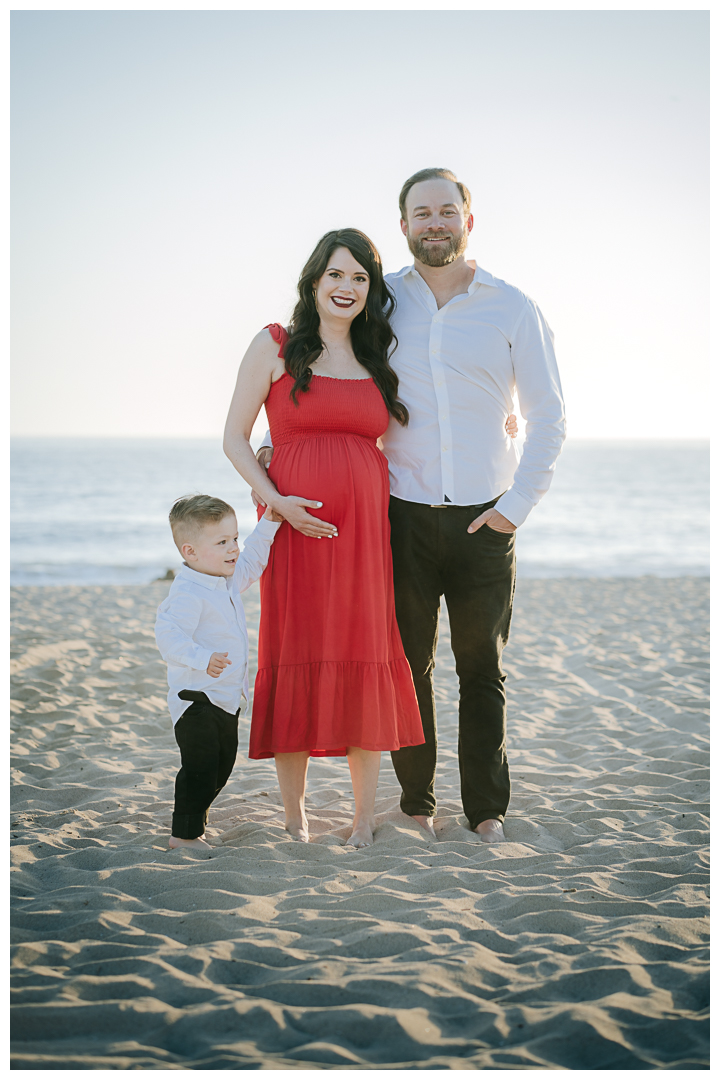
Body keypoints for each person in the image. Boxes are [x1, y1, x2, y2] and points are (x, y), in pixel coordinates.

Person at [258, 168, 565, 844]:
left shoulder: (512, 307)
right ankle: (417, 805)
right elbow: (322, 363)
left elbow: (548, 416)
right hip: (398, 513)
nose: (434, 222)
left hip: (488, 515)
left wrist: (516, 506)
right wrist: (272, 447)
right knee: (407, 664)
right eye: (421, 212)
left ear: (468, 221)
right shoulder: (378, 299)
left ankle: (486, 812)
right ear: (402, 225)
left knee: (482, 667)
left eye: (446, 211)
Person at [222, 229, 425, 848]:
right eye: (336, 275)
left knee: (365, 651)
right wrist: (275, 499)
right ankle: (295, 819)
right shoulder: (276, 346)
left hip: (365, 537)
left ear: (371, 290)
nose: (347, 287)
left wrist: (506, 418)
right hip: (292, 532)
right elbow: (235, 437)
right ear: (314, 281)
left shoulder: (378, 356)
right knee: (295, 650)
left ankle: (363, 820)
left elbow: (423, 427)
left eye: (361, 278)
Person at [155, 495, 282, 849]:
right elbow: (168, 636)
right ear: (190, 551)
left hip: (226, 698)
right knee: (200, 765)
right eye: (222, 542)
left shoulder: (224, 578)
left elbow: (254, 561)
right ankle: (185, 836)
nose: (234, 548)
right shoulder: (187, 592)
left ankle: (196, 819)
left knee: (222, 766)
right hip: (194, 699)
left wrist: (269, 523)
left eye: (235, 538)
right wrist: (201, 658)